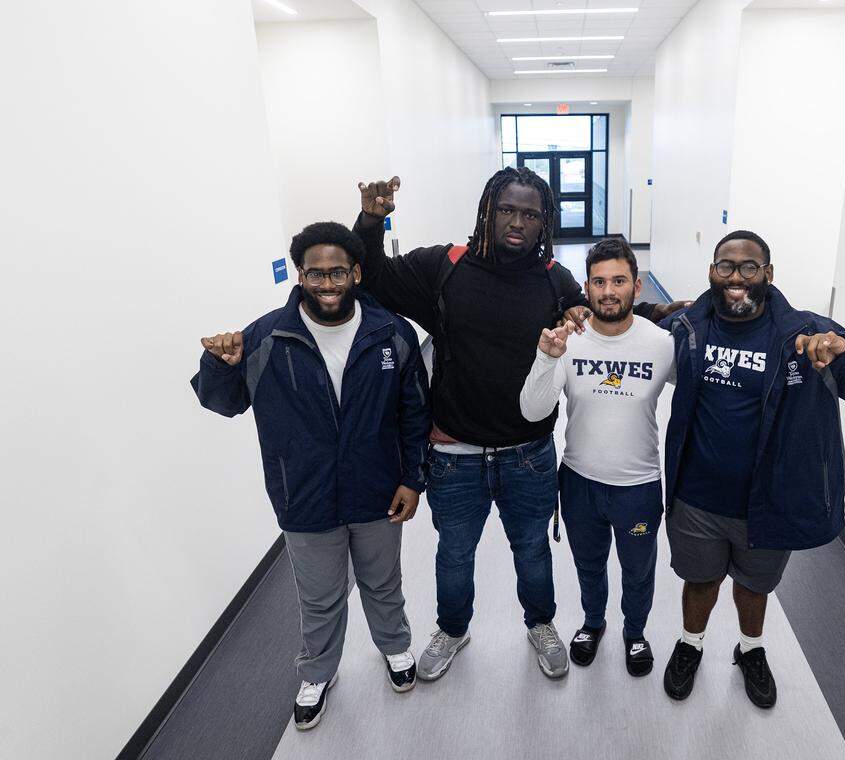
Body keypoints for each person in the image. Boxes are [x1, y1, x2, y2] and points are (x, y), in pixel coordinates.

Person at [351, 169, 686, 681]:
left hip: (528, 453)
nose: (517, 222)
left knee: (532, 550)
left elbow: (600, 311)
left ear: (544, 222)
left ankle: (541, 624)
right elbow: (371, 277)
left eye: (531, 215)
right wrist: (372, 221)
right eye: (507, 209)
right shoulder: (444, 267)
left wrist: (658, 313)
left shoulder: (553, 278)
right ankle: (453, 629)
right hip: (454, 452)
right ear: (488, 208)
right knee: (455, 554)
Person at [191, 222, 430, 729]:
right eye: (315, 273)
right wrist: (220, 366)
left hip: (379, 489)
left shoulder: (392, 332)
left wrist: (414, 478)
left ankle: (395, 648)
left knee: (382, 584)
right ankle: (318, 672)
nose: (326, 283)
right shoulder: (265, 337)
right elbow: (224, 402)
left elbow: (414, 413)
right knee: (319, 597)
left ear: (357, 272)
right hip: (304, 496)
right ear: (300, 275)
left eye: (337, 272)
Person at [658, 230, 845, 709]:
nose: (736, 277)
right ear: (711, 270)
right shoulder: (688, 327)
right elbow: (629, 335)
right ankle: (690, 644)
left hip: (767, 502)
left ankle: (750, 649)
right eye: (725, 265)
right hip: (697, 496)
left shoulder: (803, 334)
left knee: (754, 585)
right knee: (700, 581)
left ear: (768, 274)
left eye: (749, 267)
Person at [519, 238, 677, 677]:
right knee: (588, 565)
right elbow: (533, 410)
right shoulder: (567, 341)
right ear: (586, 288)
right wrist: (544, 358)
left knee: (638, 568)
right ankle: (592, 623)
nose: (609, 291)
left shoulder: (661, 344)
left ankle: (636, 632)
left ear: (637, 287)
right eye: (599, 281)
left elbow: (704, 395)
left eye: (619, 281)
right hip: (580, 482)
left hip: (639, 485)